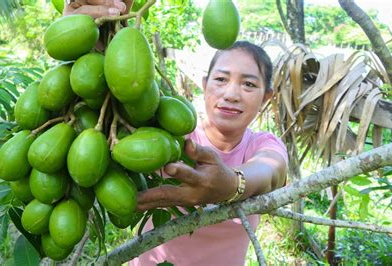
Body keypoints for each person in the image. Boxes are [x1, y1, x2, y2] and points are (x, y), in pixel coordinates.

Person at [64, 1, 288, 265]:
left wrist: (232, 183)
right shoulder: (172, 134)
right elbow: (115, 94)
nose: (231, 94)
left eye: (249, 84)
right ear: (205, 85)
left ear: (267, 97)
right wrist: (90, 42)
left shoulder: (262, 143)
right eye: (221, 79)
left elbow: (271, 170)